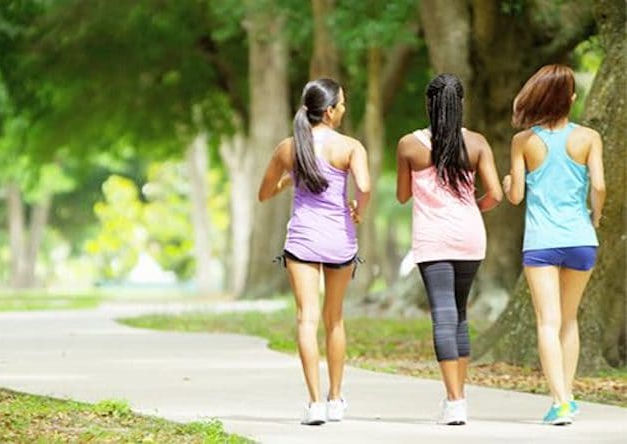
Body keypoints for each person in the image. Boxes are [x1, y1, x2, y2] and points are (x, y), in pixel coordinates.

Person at [257, 78, 371, 425]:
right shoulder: (351, 147)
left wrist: (290, 179)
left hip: (303, 241)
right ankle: (336, 399)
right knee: (333, 318)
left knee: (306, 319)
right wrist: (358, 211)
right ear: (332, 110)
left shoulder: (288, 148)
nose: (345, 108)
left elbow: (264, 193)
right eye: (343, 103)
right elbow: (364, 186)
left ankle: (314, 404)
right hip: (339, 240)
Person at [396, 73, 502, 425]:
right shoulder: (476, 144)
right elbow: (495, 196)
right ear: (461, 104)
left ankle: (454, 401)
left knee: (443, 314)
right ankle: (460, 397)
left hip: (433, 240)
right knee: (459, 314)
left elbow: (401, 195)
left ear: (429, 104)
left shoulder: (409, 145)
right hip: (471, 237)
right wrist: (474, 208)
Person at [503, 64, 605, 425]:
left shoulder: (524, 141)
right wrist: (594, 217)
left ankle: (560, 402)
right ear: (571, 99)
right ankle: (569, 396)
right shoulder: (589, 137)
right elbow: (599, 187)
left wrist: (506, 185)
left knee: (547, 322)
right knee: (569, 319)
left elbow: (515, 196)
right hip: (581, 239)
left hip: (542, 242)